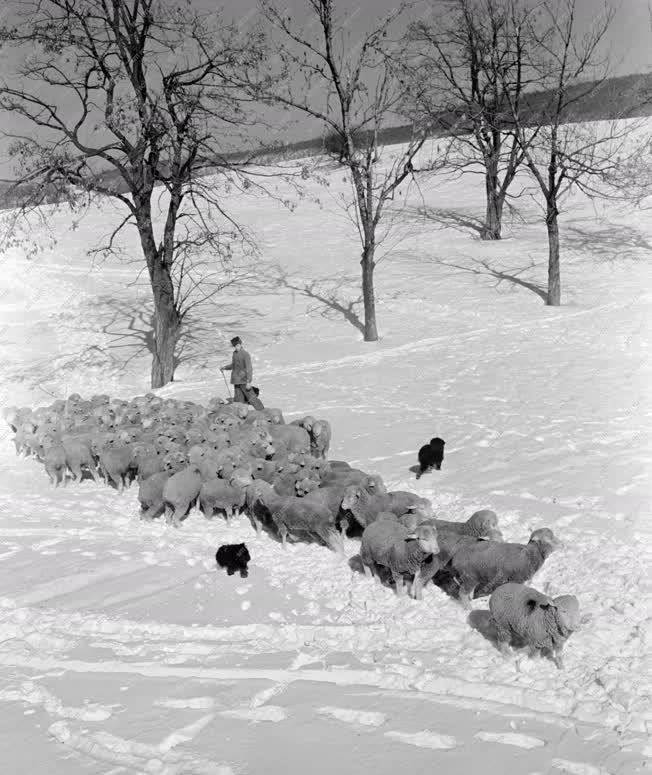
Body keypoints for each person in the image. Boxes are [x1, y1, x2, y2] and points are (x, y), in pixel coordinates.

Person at [220, 336, 264, 410]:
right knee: (239, 401)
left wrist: (249, 381)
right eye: (235, 346)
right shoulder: (234, 354)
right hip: (236, 381)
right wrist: (225, 367)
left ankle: (263, 412)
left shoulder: (245, 354)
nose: (236, 347)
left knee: (252, 398)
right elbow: (233, 365)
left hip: (244, 380)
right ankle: (241, 415)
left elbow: (249, 368)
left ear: (240, 344)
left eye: (237, 345)